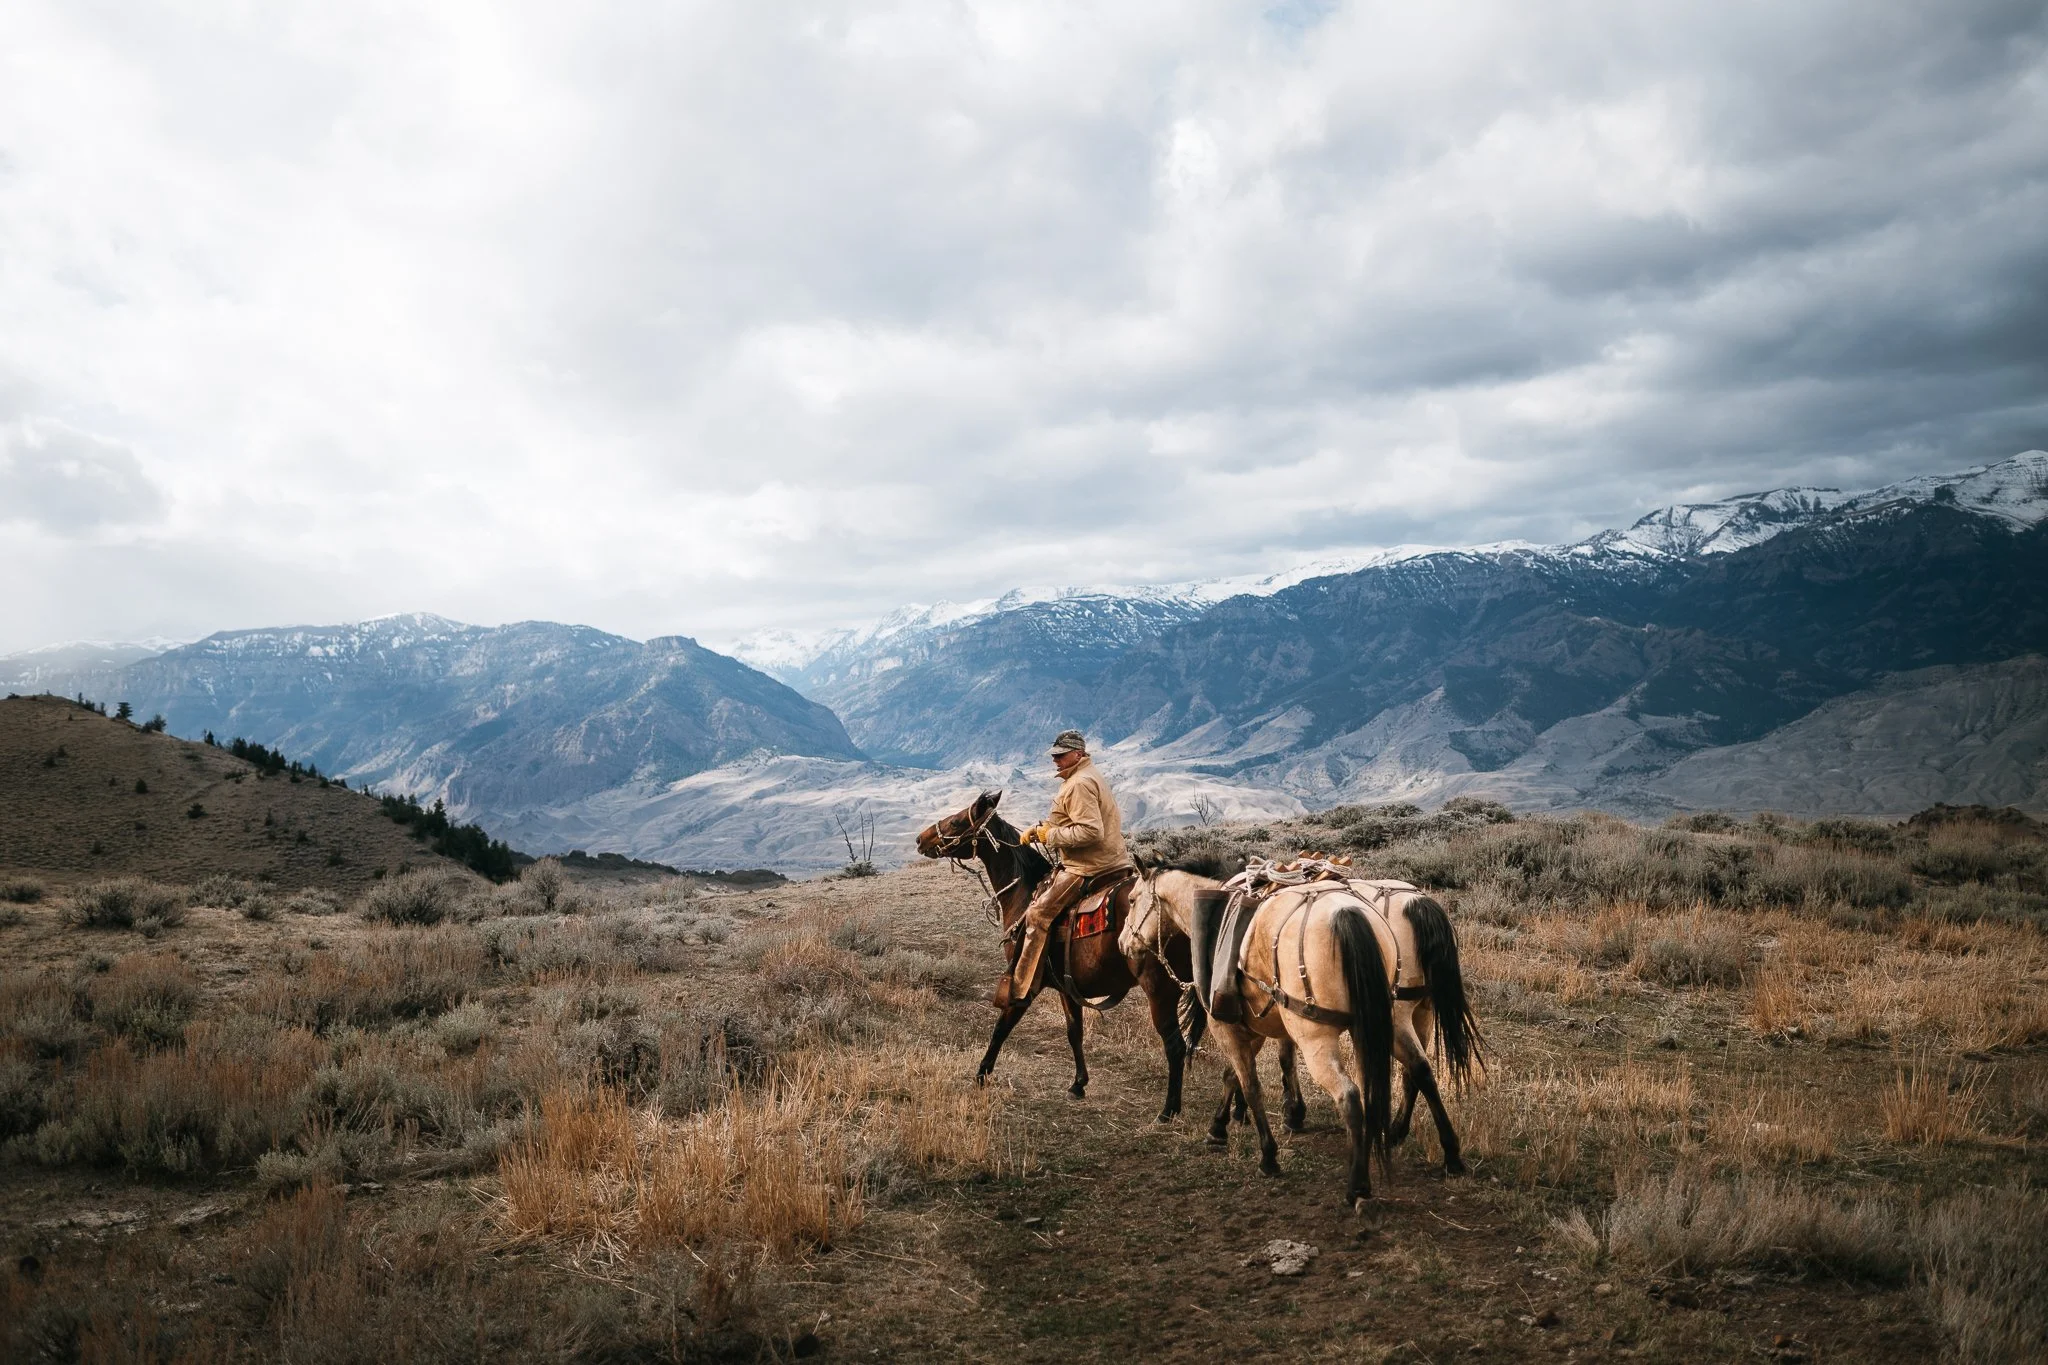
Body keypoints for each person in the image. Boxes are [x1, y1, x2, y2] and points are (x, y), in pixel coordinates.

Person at [998, 729, 1133, 1006]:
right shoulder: (1088, 775)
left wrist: (1051, 836)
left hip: (1089, 865)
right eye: (1054, 755)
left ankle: (1021, 989)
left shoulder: (1079, 783)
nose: (1055, 760)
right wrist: (1044, 830)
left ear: (1078, 754)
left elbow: (1091, 831)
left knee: (1037, 914)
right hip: (1111, 859)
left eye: (1061, 755)